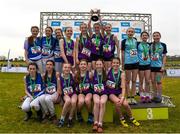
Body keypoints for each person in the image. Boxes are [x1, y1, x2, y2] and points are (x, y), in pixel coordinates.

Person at [107, 57, 140, 127]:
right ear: (111, 64)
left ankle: (131, 118)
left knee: (125, 104)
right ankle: (121, 118)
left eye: (117, 63)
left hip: (119, 92)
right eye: (114, 63)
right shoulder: (108, 71)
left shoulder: (122, 73)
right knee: (118, 103)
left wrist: (122, 97)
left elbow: (123, 87)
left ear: (119, 64)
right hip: (111, 93)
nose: (115, 64)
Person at [121, 27, 139, 104]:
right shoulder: (124, 41)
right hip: (128, 63)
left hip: (136, 62)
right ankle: (128, 97)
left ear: (134, 33)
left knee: (134, 81)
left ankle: (133, 97)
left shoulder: (136, 40)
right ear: (126, 33)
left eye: (132, 32)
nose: (130, 33)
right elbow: (122, 53)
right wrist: (123, 63)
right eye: (129, 31)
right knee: (128, 81)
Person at [40, 60, 61, 124]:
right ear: (45, 66)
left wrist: (58, 94)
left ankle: (53, 115)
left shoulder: (56, 74)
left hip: (55, 92)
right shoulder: (44, 75)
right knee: (41, 98)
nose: (49, 66)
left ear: (53, 66)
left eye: (50, 64)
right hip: (47, 93)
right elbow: (43, 86)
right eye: (47, 64)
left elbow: (59, 86)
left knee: (47, 99)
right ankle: (47, 114)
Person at [58, 63, 77, 128]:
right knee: (68, 101)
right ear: (62, 68)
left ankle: (70, 119)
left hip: (73, 93)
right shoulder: (59, 78)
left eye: (68, 67)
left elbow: (76, 86)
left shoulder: (72, 76)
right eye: (65, 67)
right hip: (65, 94)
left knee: (73, 102)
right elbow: (59, 90)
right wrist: (61, 98)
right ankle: (62, 119)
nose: (67, 69)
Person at [150, 31, 167, 103]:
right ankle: (154, 96)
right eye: (154, 36)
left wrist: (163, 66)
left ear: (160, 36)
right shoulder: (150, 45)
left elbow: (164, 56)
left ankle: (159, 96)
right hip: (151, 66)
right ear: (153, 37)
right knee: (153, 82)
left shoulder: (163, 45)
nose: (156, 37)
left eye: (157, 35)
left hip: (159, 67)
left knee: (159, 82)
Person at [75, 59, 93, 124]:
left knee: (87, 100)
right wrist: (78, 89)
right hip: (81, 92)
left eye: (84, 64)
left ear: (87, 66)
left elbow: (93, 84)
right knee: (81, 101)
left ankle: (90, 114)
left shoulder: (90, 74)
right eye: (81, 64)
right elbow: (75, 85)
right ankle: (78, 113)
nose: (83, 66)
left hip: (88, 91)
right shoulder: (77, 74)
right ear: (79, 66)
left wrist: (90, 86)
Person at [92, 59, 108, 133]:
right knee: (97, 102)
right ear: (95, 66)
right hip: (95, 92)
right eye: (97, 64)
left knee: (102, 102)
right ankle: (95, 122)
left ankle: (100, 123)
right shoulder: (92, 73)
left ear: (103, 65)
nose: (99, 66)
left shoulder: (106, 73)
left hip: (104, 92)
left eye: (100, 64)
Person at [137, 31, 151, 103]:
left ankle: (148, 95)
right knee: (141, 81)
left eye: (146, 35)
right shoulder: (138, 44)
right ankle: (142, 96)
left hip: (148, 64)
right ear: (141, 37)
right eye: (143, 35)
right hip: (141, 65)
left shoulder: (149, 45)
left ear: (148, 37)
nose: (144, 36)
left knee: (148, 81)